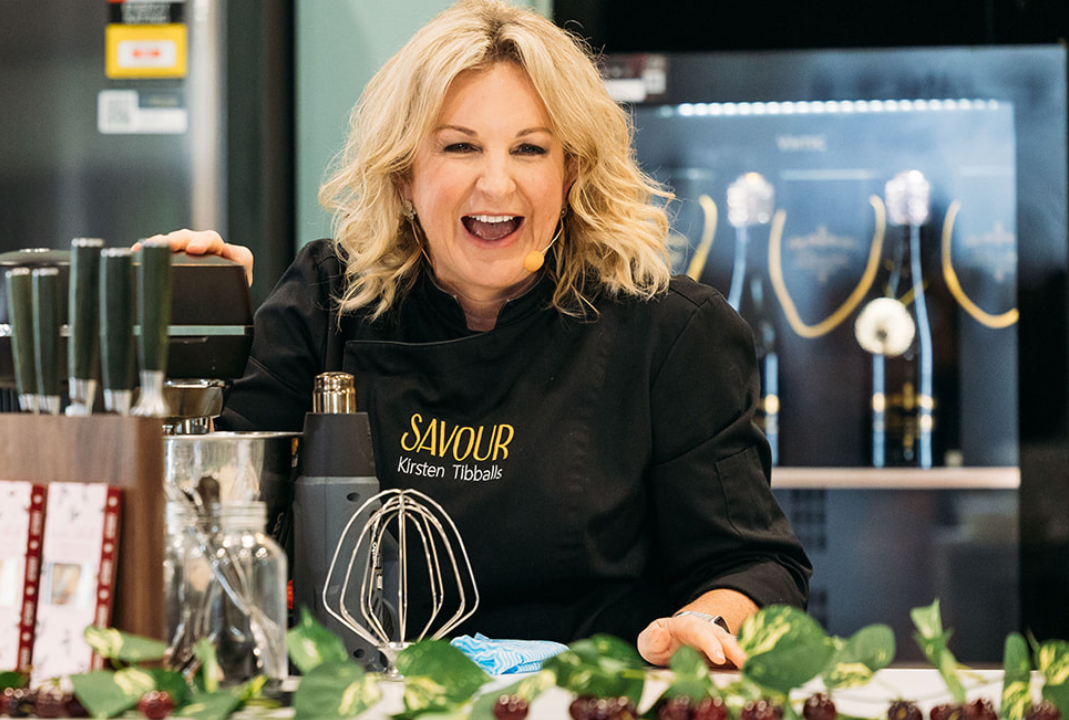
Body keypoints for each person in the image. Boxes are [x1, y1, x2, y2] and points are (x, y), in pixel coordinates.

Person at [151, 0, 810, 668]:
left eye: (530, 149)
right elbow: (200, 529)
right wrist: (171, 365)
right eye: (459, 146)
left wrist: (698, 624)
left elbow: (756, 564)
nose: (496, 183)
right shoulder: (325, 302)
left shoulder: (670, 333)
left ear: (571, 173)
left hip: (586, 707)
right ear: (405, 174)